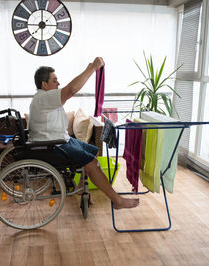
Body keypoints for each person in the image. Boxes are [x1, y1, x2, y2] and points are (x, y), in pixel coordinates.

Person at [29, 57, 139, 210]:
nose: (59, 83)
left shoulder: (45, 98)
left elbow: (71, 89)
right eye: (55, 80)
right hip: (52, 146)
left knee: (93, 151)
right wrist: (92, 68)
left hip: (58, 141)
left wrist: (90, 70)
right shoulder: (44, 97)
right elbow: (72, 89)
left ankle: (82, 187)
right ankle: (117, 200)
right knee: (92, 164)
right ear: (44, 84)